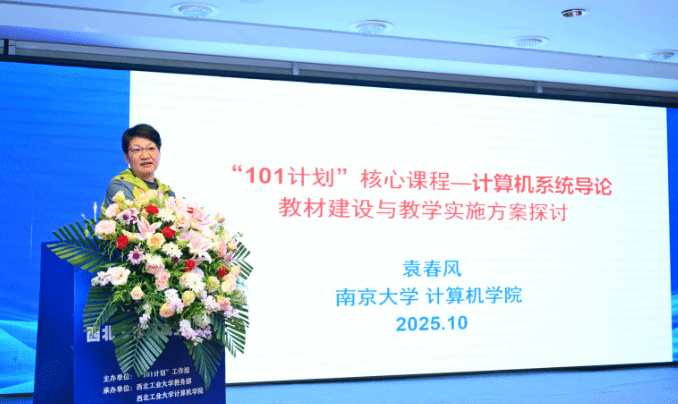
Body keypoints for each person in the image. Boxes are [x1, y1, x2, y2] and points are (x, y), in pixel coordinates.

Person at [102, 124, 175, 208]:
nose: (145, 156)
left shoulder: (168, 194)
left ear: (159, 152)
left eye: (150, 148)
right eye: (137, 150)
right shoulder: (119, 188)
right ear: (126, 157)